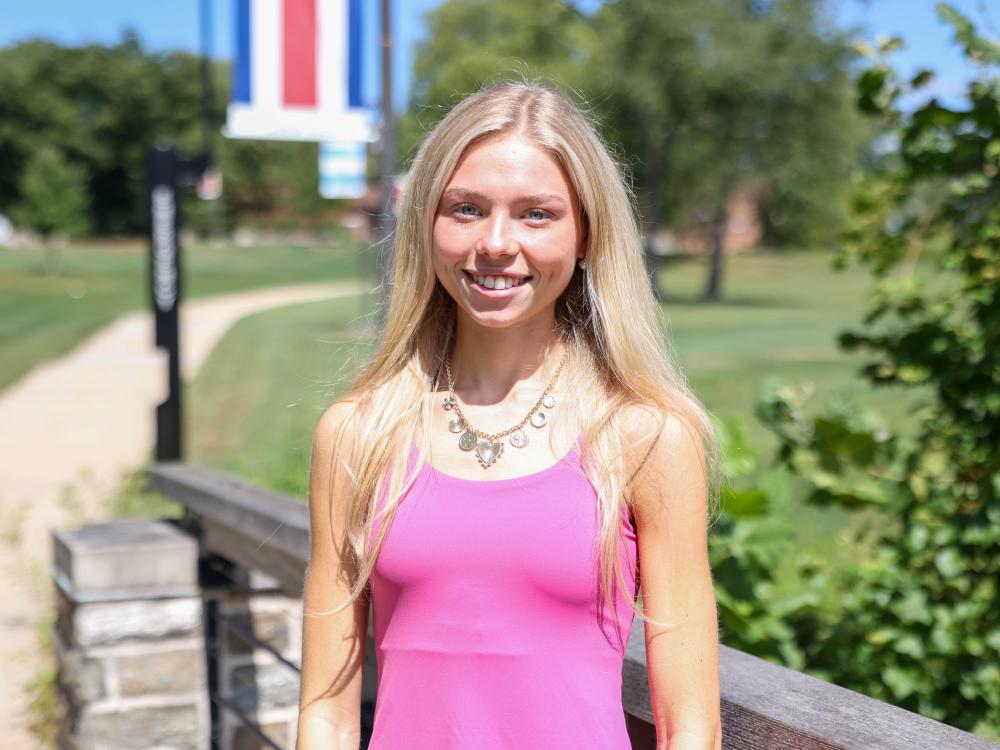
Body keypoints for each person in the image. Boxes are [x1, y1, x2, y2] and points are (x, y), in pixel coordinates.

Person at [295, 80, 722, 750]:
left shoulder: (643, 435)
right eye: (465, 209)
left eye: (536, 214)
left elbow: (690, 727)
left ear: (586, 234)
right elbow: (325, 713)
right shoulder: (358, 434)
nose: (495, 242)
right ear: (427, 225)